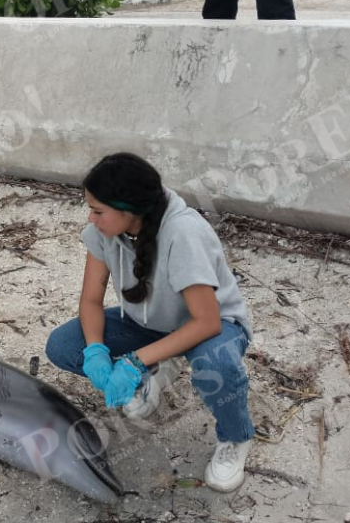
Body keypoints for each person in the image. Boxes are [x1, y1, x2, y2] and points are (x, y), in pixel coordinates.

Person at [44, 153, 255, 492]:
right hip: (150, 324)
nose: (91, 218)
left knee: (215, 362)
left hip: (212, 327)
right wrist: (97, 350)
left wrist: (134, 359)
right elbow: (91, 301)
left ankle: (235, 436)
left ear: (129, 210)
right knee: (65, 346)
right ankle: (154, 368)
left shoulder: (182, 233)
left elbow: (207, 322)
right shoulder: (104, 232)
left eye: (98, 210)